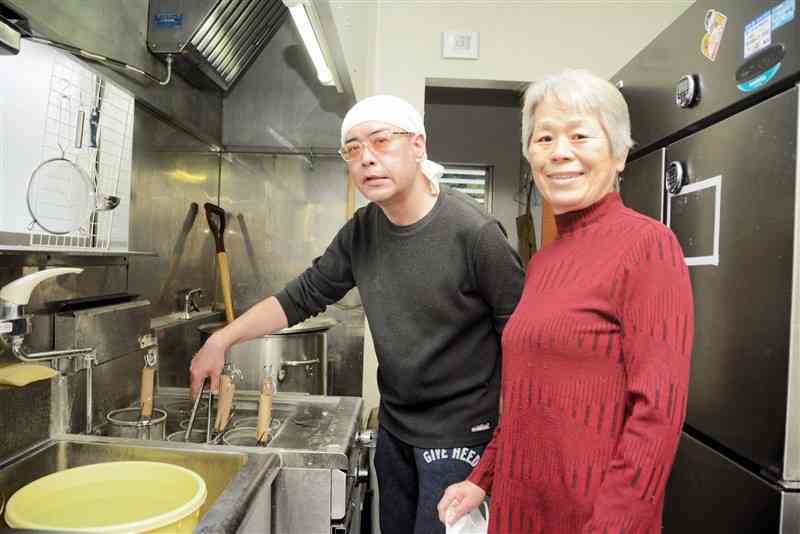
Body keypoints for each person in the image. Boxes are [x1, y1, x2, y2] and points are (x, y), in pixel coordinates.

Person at [189, 94, 525, 534]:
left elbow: (523, 344)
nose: (366, 159)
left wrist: (500, 456)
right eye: (352, 149)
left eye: (381, 142)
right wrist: (221, 339)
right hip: (396, 426)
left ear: (418, 146)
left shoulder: (475, 234)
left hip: (461, 435)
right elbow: (301, 296)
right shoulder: (363, 231)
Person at [438, 69, 694, 533]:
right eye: (544, 138)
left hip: (591, 520)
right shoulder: (544, 260)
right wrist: (483, 478)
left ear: (618, 153)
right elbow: (526, 401)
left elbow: (657, 414)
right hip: (521, 508)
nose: (560, 152)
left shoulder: (648, 245)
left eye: (580, 135)